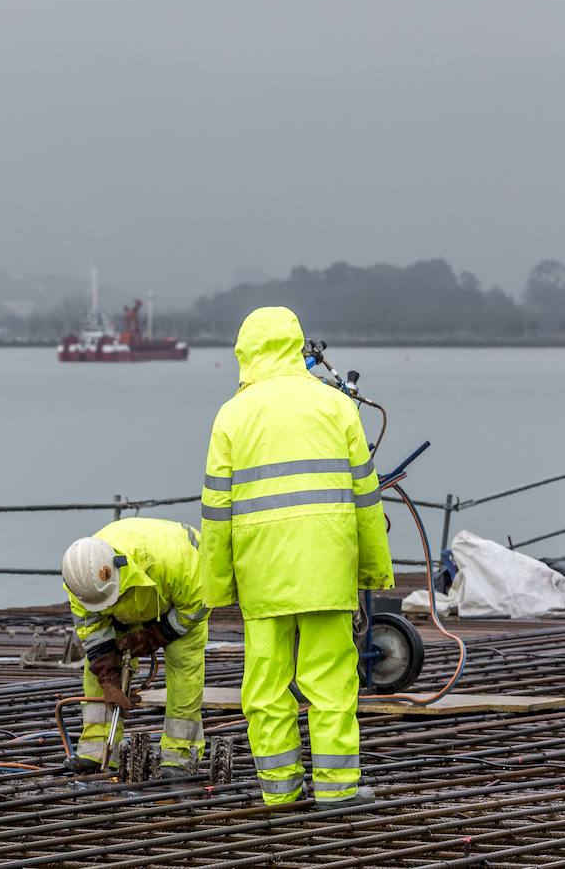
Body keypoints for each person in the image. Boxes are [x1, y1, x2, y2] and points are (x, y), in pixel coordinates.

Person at [199, 306, 393, 809]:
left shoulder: (232, 415)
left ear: (245, 354)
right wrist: (373, 567)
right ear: (296, 346)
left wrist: (217, 585)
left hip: (262, 575)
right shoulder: (335, 406)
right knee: (330, 682)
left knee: (265, 687)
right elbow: (366, 499)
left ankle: (280, 795)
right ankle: (337, 792)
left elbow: (216, 512)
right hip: (328, 569)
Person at [61, 517, 209, 786]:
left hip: (175, 603)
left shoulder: (176, 561)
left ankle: (179, 755)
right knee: (95, 669)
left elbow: (196, 608)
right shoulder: (81, 580)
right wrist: (108, 677)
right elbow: (91, 631)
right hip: (122, 609)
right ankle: (96, 751)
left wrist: (156, 636)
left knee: (184, 667)